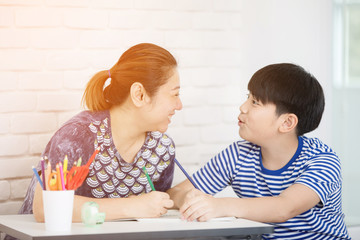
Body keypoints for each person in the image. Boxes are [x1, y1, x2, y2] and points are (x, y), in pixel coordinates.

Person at [168, 63, 350, 239]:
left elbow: (284, 208)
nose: (243, 107)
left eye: (255, 102)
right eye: (247, 97)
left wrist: (220, 205)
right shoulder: (238, 155)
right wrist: (188, 197)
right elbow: (172, 194)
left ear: (286, 123)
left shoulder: (323, 161)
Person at [19, 43, 182, 222]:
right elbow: (44, 208)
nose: (179, 105)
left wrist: (178, 199)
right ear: (139, 94)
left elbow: (153, 212)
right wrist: (131, 206)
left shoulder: (162, 149)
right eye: (174, 94)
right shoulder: (77, 136)